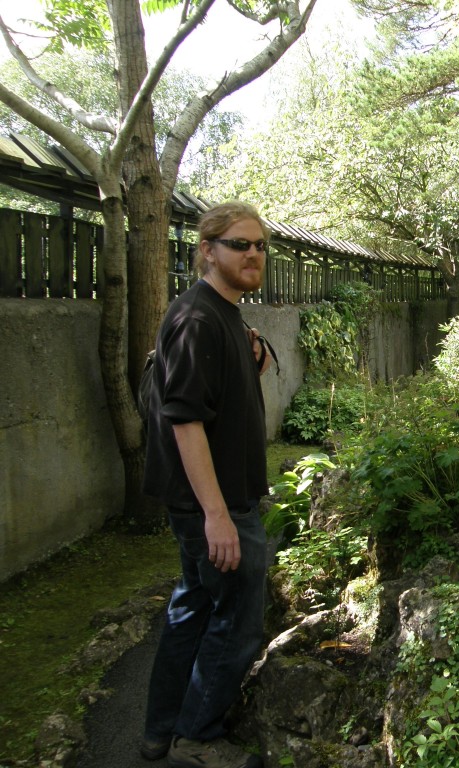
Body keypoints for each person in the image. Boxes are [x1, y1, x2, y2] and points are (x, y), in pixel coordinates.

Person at [140, 201, 274, 768]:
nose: (253, 254)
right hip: (214, 504)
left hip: (215, 499)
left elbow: (230, 381)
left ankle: (159, 731)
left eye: (261, 246)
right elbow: (184, 420)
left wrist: (258, 349)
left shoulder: (224, 315)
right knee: (238, 619)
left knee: (190, 608)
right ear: (207, 250)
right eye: (240, 244)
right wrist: (216, 515)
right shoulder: (197, 319)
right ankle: (198, 737)